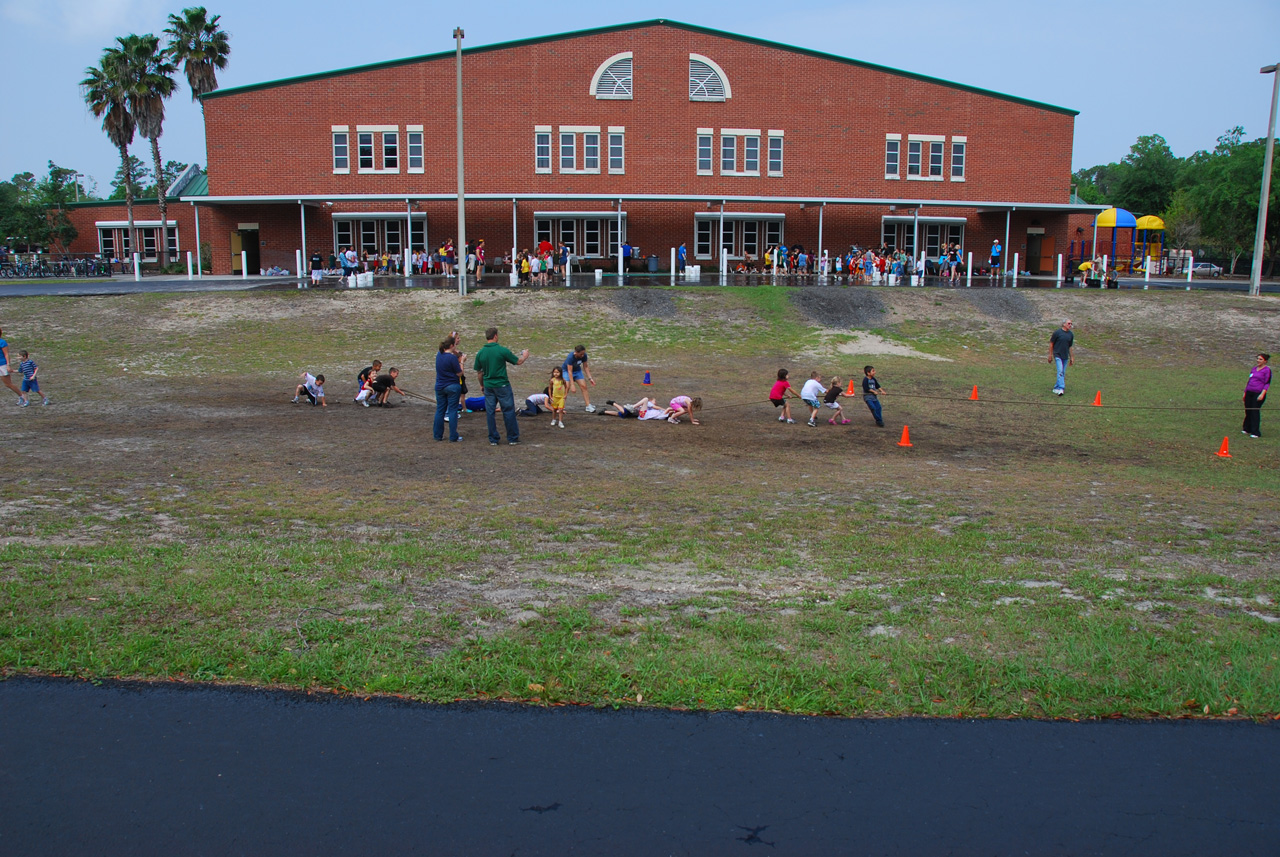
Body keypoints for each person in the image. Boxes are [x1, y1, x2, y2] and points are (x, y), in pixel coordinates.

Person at [473, 326, 529, 446]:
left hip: (488, 385)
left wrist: (482, 385)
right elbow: (518, 362)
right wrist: (525, 355)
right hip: (502, 384)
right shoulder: (501, 350)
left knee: (490, 412)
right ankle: (512, 437)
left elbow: (479, 372)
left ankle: (493, 439)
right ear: (495, 336)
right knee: (508, 410)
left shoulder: (481, 353)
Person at [434, 335, 464, 442]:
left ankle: (438, 435)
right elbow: (460, 373)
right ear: (451, 345)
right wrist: (461, 361)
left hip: (440, 386)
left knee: (440, 410)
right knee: (452, 411)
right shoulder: (451, 358)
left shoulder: (439, 355)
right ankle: (453, 436)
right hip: (452, 386)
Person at [1243, 353, 1270, 439]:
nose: (1258, 361)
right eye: (1258, 359)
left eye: (1260, 359)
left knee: (1254, 411)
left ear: (1265, 361)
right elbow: (1249, 381)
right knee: (1248, 410)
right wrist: (1245, 392)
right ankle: (1247, 428)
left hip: (1258, 393)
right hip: (1249, 392)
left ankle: (1256, 432)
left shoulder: (1267, 370)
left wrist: (1262, 394)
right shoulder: (1254, 369)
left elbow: (1267, 383)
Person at [561, 345, 596, 412]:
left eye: (583, 354)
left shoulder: (584, 355)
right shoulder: (570, 357)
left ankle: (588, 406)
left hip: (577, 371)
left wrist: (590, 378)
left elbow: (585, 367)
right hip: (567, 371)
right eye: (581, 354)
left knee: (584, 386)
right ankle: (561, 406)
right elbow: (569, 371)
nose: (582, 355)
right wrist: (572, 385)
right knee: (566, 387)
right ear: (576, 352)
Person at [1049, 319, 1074, 396]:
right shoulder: (1057, 333)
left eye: (1071, 324)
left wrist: (1072, 357)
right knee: (1060, 371)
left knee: (1062, 372)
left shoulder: (1070, 334)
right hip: (1057, 355)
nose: (1070, 325)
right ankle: (1061, 388)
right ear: (1064, 324)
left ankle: (1056, 387)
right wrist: (1050, 355)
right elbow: (1051, 343)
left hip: (1065, 356)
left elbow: (1070, 346)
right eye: (1069, 323)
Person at [0, 327, 21, 400]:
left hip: (2, 364)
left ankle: (22, 396)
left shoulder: (2, 342)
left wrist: (8, 365)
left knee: (8, 384)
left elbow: (6, 354)